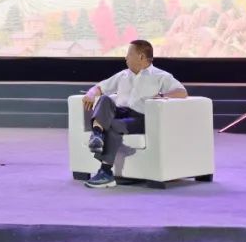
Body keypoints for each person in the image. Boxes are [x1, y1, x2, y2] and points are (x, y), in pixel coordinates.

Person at [81, 39, 188, 188]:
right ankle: (97, 135)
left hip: (139, 117)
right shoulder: (123, 75)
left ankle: (105, 172)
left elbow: (182, 92)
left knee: (113, 126)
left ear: (141, 56)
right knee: (104, 99)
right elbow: (100, 87)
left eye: (129, 54)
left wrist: (162, 96)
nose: (126, 58)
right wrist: (91, 93)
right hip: (119, 112)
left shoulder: (160, 76)